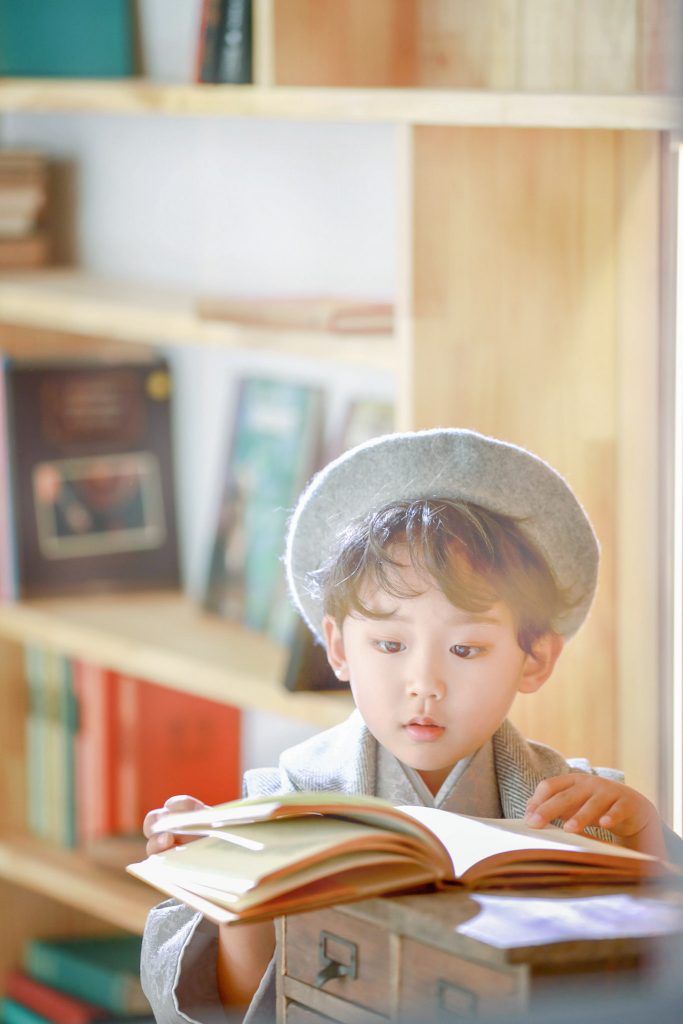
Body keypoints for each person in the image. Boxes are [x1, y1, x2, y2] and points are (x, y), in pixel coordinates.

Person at [140, 428, 681, 1024]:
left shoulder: (581, 811)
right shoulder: (284, 804)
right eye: (391, 643)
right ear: (339, 649)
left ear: (536, 659)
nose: (424, 682)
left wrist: (644, 842)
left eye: (467, 650)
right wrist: (232, 891)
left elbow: (642, 978)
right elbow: (243, 1011)